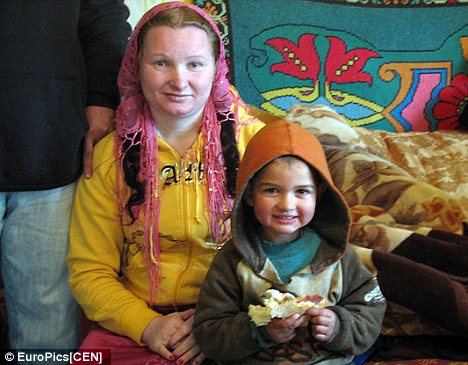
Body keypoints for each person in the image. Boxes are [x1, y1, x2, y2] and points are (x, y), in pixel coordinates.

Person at [67, 2, 264, 365]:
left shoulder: (258, 145)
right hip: (141, 320)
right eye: (161, 63)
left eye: (195, 64)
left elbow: (292, 251)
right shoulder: (109, 157)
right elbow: (89, 271)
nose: (179, 81)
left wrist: (218, 326)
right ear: (135, 68)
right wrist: (148, 326)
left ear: (216, 69)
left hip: (238, 314)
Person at [193, 120, 387, 364]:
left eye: (302, 191)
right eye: (272, 190)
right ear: (250, 195)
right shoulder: (232, 261)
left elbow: (370, 310)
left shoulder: (337, 256)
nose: (286, 205)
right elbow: (209, 332)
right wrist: (259, 330)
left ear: (319, 194)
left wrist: (337, 325)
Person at [0, 0, 131, 354]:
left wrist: (103, 99)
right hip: (50, 141)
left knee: (47, 335)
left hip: (51, 148)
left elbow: (104, 17)